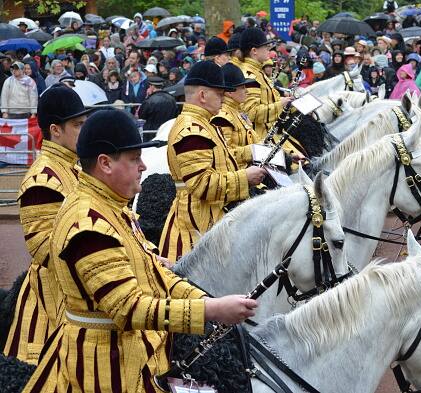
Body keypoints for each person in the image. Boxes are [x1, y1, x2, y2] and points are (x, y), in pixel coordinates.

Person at [22, 109, 258, 393]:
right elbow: (128, 308)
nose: (143, 166)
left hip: (128, 355)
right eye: (134, 159)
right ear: (105, 163)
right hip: (104, 369)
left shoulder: (109, 206)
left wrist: (207, 299)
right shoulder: (88, 222)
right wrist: (211, 309)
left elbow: (155, 273)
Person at [2, 87, 90, 365]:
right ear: (55, 130)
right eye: (77, 125)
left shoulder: (74, 168)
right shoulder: (42, 178)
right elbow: (46, 250)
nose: (84, 131)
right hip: (52, 301)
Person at [159, 60, 266, 261]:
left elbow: (224, 162)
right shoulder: (191, 131)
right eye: (219, 94)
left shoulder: (203, 124)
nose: (223, 99)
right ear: (202, 95)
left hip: (209, 217)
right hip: (195, 224)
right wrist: (245, 178)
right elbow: (203, 185)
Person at [240, 27, 292, 140]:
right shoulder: (249, 75)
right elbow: (251, 113)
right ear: (254, 51)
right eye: (265, 47)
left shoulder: (257, 71)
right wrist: (281, 104)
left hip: (270, 132)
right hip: (261, 138)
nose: (268, 50)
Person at [211, 63, 258, 169]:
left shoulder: (237, 110)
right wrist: (254, 151)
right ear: (229, 92)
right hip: (241, 174)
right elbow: (225, 153)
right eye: (242, 87)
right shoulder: (222, 117)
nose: (246, 91)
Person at [138, 76, 178, 141]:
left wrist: (147, 97)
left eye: (149, 86)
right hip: (167, 133)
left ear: (152, 87)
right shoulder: (172, 99)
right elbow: (176, 114)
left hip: (151, 134)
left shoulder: (149, 100)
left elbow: (142, 115)